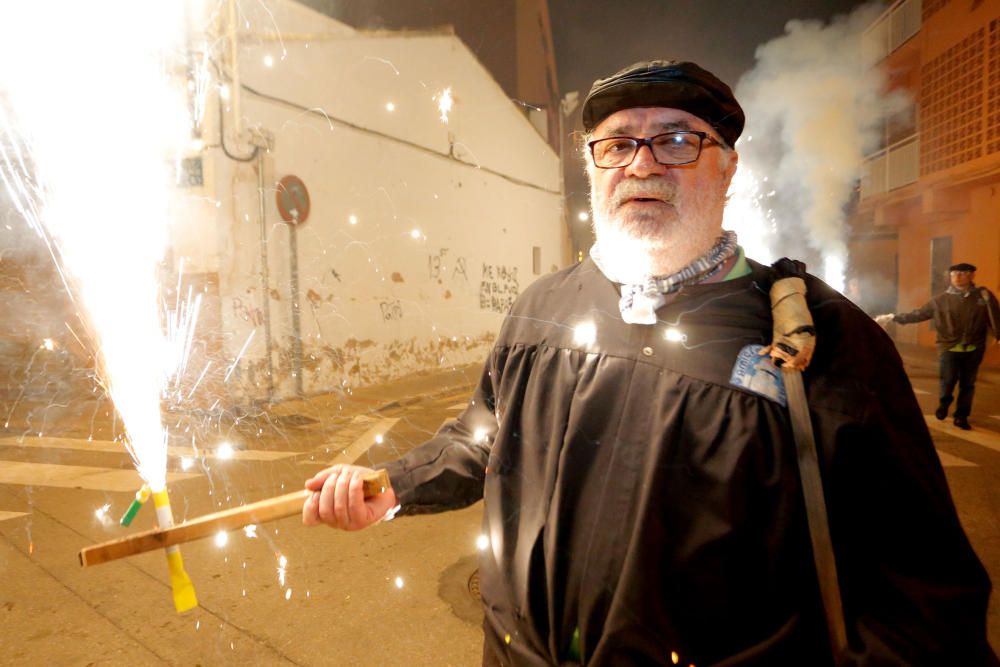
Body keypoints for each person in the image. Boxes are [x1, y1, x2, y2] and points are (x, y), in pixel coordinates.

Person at [303, 61, 996, 665]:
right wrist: (394, 484)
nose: (641, 164)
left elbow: (919, 595)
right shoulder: (542, 308)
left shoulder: (822, 340)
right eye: (618, 144)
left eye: (674, 140)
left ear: (726, 166)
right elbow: (483, 435)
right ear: (593, 169)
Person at [875, 263, 1000, 430]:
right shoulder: (940, 301)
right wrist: (893, 318)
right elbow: (918, 314)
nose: (957, 277)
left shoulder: (983, 297)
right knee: (948, 380)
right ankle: (944, 402)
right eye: (954, 273)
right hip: (948, 347)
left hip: (974, 348)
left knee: (968, 384)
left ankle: (961, 416)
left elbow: (995, 317)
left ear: (972, 276)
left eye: (962, 273)